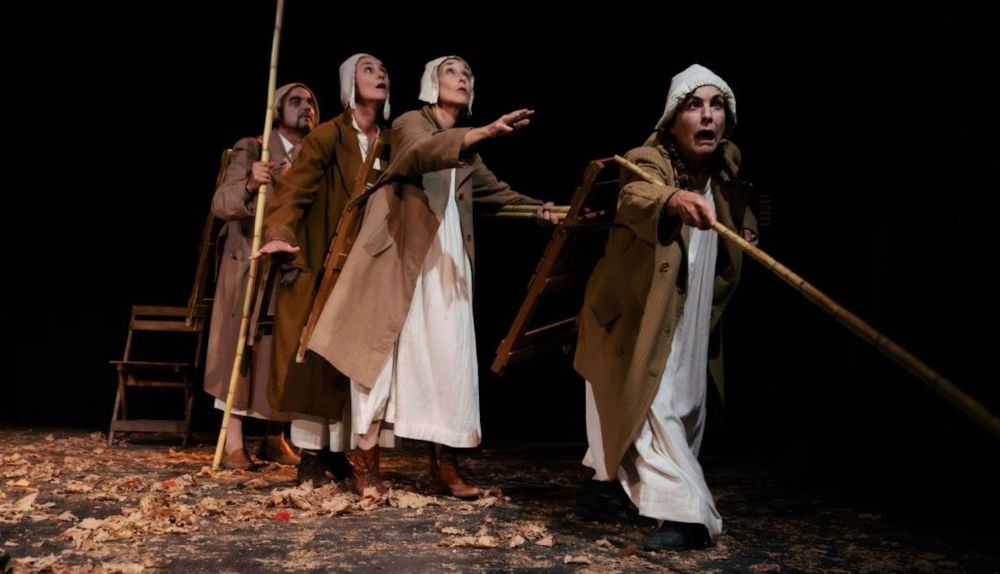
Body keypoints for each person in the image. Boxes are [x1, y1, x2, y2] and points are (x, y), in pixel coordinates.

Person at [304, 56, 557, 497]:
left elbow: (497, 193)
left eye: (468, 74)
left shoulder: (467, 150)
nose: (463, 78)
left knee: (448, 358)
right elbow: (419, 154)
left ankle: (444, 465)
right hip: (398, 259)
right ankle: (365, 460)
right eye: (452, 71)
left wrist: (542, 210)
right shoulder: (409, 123)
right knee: (379, 361)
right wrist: (484, 132)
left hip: (445, 262)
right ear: (431, 82)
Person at [573, 63, 757, 550]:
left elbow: (735, 205)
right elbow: (636, 193)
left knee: (685, 402)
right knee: (652, 400)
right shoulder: (648, 159)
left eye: (716, 105)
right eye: (694, 106)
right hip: (638, 313)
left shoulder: (724, 166)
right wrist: (673, 200)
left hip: (689, 312)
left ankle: (603, 490)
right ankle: (687, 516)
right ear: (673, 119)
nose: (707, 115)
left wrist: (746, 226)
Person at [253, 54, 391, 486]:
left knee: (354, 364)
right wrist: (279, 231)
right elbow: (294, 190)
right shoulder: (328, 135)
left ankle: (340, 451)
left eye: (383, 70)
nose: (380, 74)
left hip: (370, 267)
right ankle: (312, 456)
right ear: (349, 82)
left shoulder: (390, 142)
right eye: (368, 69)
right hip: (327, 261)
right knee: (315, 361)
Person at [205, 83, 318, 470]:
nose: (306, 107)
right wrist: (252, 182)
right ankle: (233, 442)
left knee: (281, 351)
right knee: (239, 353)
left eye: (310, 102)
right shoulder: (253, 148)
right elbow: (222, 203)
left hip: (291, 265)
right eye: (295, 101)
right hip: (249, 265)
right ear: (277, 111)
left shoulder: (314, 154)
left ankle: (274, 437)